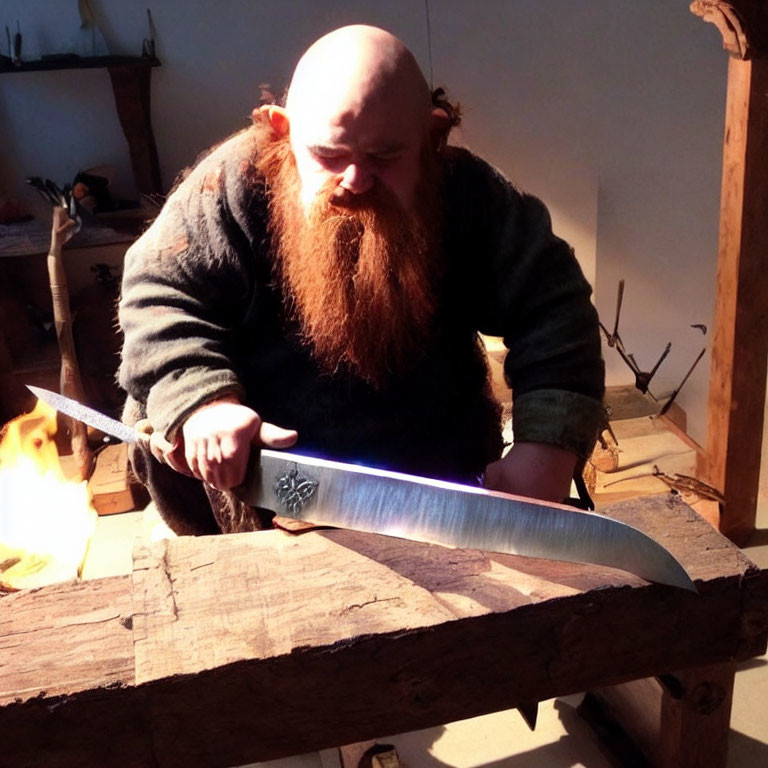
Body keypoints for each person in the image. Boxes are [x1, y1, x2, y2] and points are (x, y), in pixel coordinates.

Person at [118, 24, 605, 535]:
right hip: (253, 489)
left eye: (384, 157)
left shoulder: (469, 196)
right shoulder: (231, 188)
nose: (355, 181)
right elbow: (158, 293)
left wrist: (547, 451)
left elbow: (554, 307)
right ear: (281, 129)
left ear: (433, 136)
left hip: (431, 488)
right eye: (328, 156)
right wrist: (202, 402)